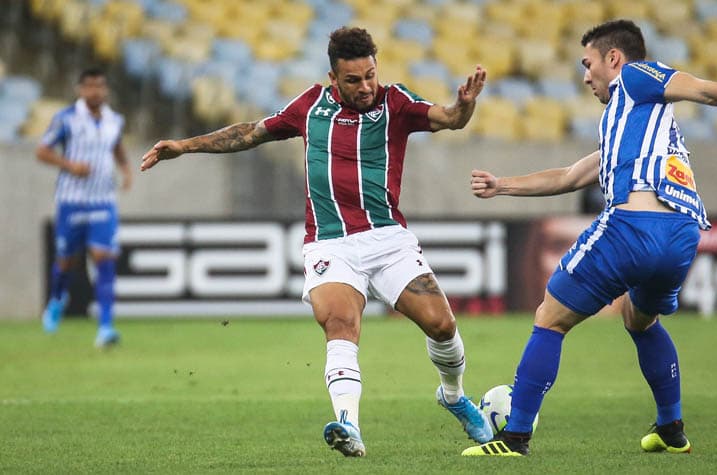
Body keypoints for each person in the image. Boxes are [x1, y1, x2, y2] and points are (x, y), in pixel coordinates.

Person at [462, 19, 717, 456]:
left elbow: (710, 90)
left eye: (588, 63)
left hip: (634, 226)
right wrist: (503, 185)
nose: (585, 76)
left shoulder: (634, 78)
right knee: (640, 318)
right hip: (683, 236)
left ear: (613, 59)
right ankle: (671, 429)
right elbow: (570, 176)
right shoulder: (636, 125)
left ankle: (515, 437)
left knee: (550, 317)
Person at [140, 27, 492, 457]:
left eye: (370, 75)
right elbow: (251, 132)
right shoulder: (309, 106)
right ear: (333, 78)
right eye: (354, 80)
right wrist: (184, 146)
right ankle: (349, 424)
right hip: (329, 244)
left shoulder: (395, 102)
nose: (366, 87)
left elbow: (450, 119)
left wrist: (465, 105)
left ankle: (453, 396)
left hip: (387, 238)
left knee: (442, 326)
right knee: (340, 324)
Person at [38, 67, 131, 348]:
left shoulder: (115, 119)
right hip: (71, 200)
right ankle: (57, 299)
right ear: (80, 89)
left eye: (100, 86)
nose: (96, 91)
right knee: (67, 260)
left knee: (104, 258)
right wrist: (69, 166)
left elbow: (115, 146)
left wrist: (125, 168)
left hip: (103, 200)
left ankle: (105, 327)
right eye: (90, 86)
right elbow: (42, 150)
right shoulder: (65, 119)